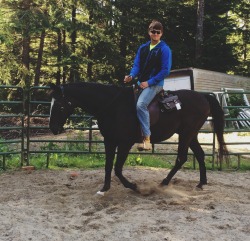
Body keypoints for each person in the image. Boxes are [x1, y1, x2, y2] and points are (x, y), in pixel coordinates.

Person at [124, 20, 172, 151]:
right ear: (149, 32)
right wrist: (131, 76)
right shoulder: (143, 48)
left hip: (155, 84)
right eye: (153, 31)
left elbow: (165, 71)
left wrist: (149, 82)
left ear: (161, 33)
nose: (155, 34)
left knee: (141, 105)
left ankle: (147, 138)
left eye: (158, 32)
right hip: (141, 83)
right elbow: (137, 65)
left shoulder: (164, 49)